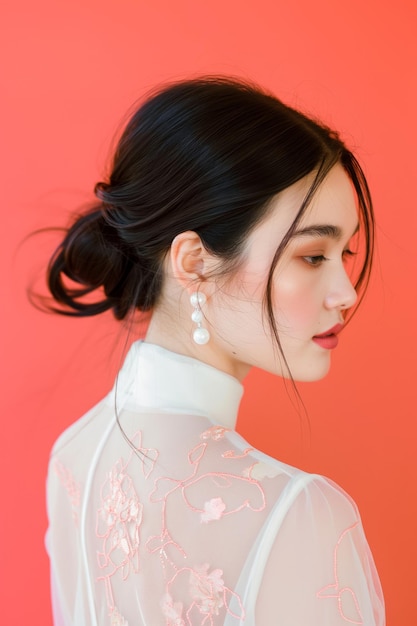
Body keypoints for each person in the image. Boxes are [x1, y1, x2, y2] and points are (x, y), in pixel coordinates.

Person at [44, 77, 385, 625]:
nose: (346, 293)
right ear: (194, 263)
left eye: (345, 253)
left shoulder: (73, 455)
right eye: (313, 256)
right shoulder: (296, 511)